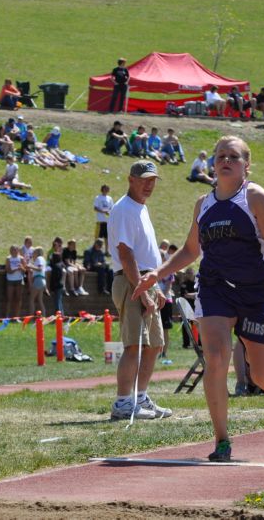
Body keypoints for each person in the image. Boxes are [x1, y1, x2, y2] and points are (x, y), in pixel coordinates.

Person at [133, 136, 264, 460]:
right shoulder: (202, 204)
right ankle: (221, 440)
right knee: (216, 358)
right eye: (221, 155)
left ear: (246, 165)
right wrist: (157, 274)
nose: (225, 161)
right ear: (213, 163)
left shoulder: (256, 197)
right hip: (214, 289)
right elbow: (192, 250)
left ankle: (251, 342)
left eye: (233, 156)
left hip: (255, 293)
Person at [105, 160, 172, 422]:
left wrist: (154, 287)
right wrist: (142, 290)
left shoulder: (140, 208)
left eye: (153, 179)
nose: (149, 184)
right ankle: (123, 402)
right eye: (144, 179)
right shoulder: (124, 209)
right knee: (134, 345)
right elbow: (125, 253)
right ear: (131, 179)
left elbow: (142, 253)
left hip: (145, 280)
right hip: (132, 280)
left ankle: (140, 397)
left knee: (154, 345)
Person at [5, 245, 26, 318]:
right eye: (13, 250)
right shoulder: (8, 258)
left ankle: (16, 316)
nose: (14, 251)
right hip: (10, 280)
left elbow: (25, 270)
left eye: (15, 250)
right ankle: (7, 316)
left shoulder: (21, 258)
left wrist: (21, 268)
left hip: (19, 280)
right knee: (9, 299)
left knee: (18, 299)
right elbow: (8, 270)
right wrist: (16, 269)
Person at [93, 184, 113, 253]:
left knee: (107, 237)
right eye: (105, 188)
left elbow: (111, 208)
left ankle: (107, 251)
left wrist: (109, 212)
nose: (107, 190)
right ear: (102, 189)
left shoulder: (109, 198)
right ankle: (97, 250)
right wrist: (103, 211)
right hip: (100, 221)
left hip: (108, 221)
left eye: (108, 189)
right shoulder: (98, 198)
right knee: (99, 237)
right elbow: (95, 208)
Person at [28, 246, 47, 315]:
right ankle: (44, 316)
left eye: (34, 252)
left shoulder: (39, 258)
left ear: (37, 252)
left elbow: (39, 268)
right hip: (42, 280)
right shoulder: (42, 259)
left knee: (31, 299)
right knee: (39, 300)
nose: (33, 254)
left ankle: (31, 317)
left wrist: (30, 266)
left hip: (38, 280)